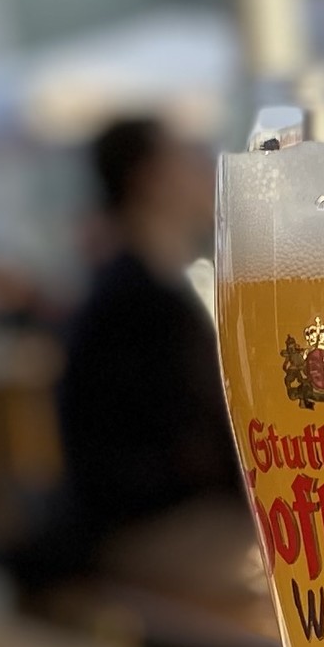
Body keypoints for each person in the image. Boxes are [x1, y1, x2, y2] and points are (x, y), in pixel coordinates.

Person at [51, 115, 240, 552]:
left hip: (158, 518)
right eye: (189, 157)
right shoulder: (136, 302)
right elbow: (187, 450)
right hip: (148, 531)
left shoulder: (145, 286)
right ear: (150, 179)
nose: (207, 169)